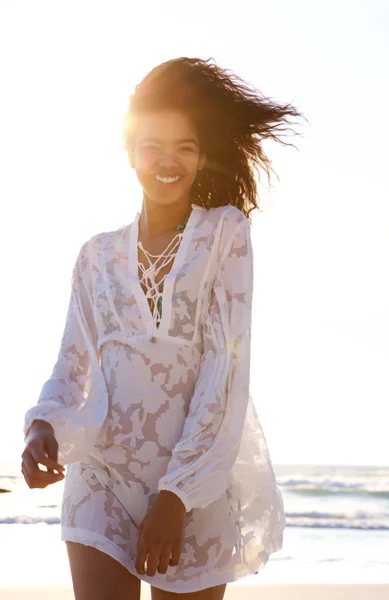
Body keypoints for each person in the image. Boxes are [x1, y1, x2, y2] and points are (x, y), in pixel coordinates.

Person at [21, 57, 304, 600]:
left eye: (185, 147)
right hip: (100, 476)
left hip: (193, 489)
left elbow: (225, 368)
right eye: (152, 145)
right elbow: (71, 363)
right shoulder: (95, 256)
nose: (167, 162)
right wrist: (43, 427)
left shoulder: (225, 235)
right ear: (128, 151)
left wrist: (177, 495)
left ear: (202, 159)